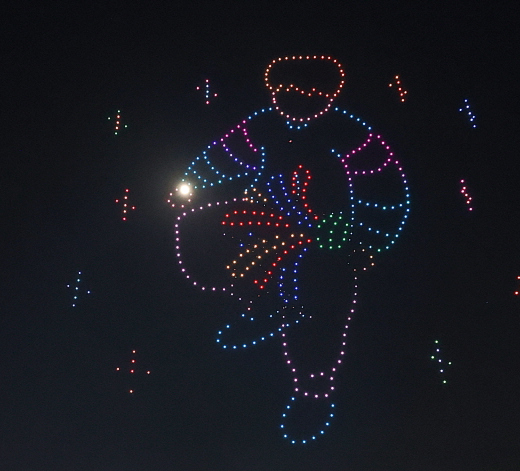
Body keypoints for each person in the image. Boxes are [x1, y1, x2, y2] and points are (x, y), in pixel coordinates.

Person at [169, 56, 410, 443]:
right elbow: (222, 159)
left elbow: (385, 192)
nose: (296, 99)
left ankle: (312, 392)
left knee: (324, 301)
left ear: (327, 96)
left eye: (308, 92)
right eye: (286, 91)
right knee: (200, 226)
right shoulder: (263, 127)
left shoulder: (350, 135)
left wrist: (367, 242)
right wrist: (190, 186)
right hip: (272, 217)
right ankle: (261, 306)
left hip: (330, 232)